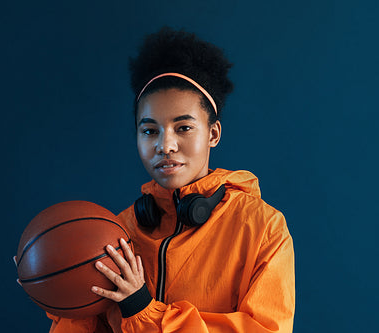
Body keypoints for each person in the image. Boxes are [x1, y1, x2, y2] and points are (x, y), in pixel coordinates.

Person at [47, 27, 295, 332]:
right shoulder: (117, 233)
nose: (165, 146)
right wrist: (55, 284)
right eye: (150, 131)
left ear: (213, 134)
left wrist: (142, 310)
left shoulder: (262, 228)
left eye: (184, 128)